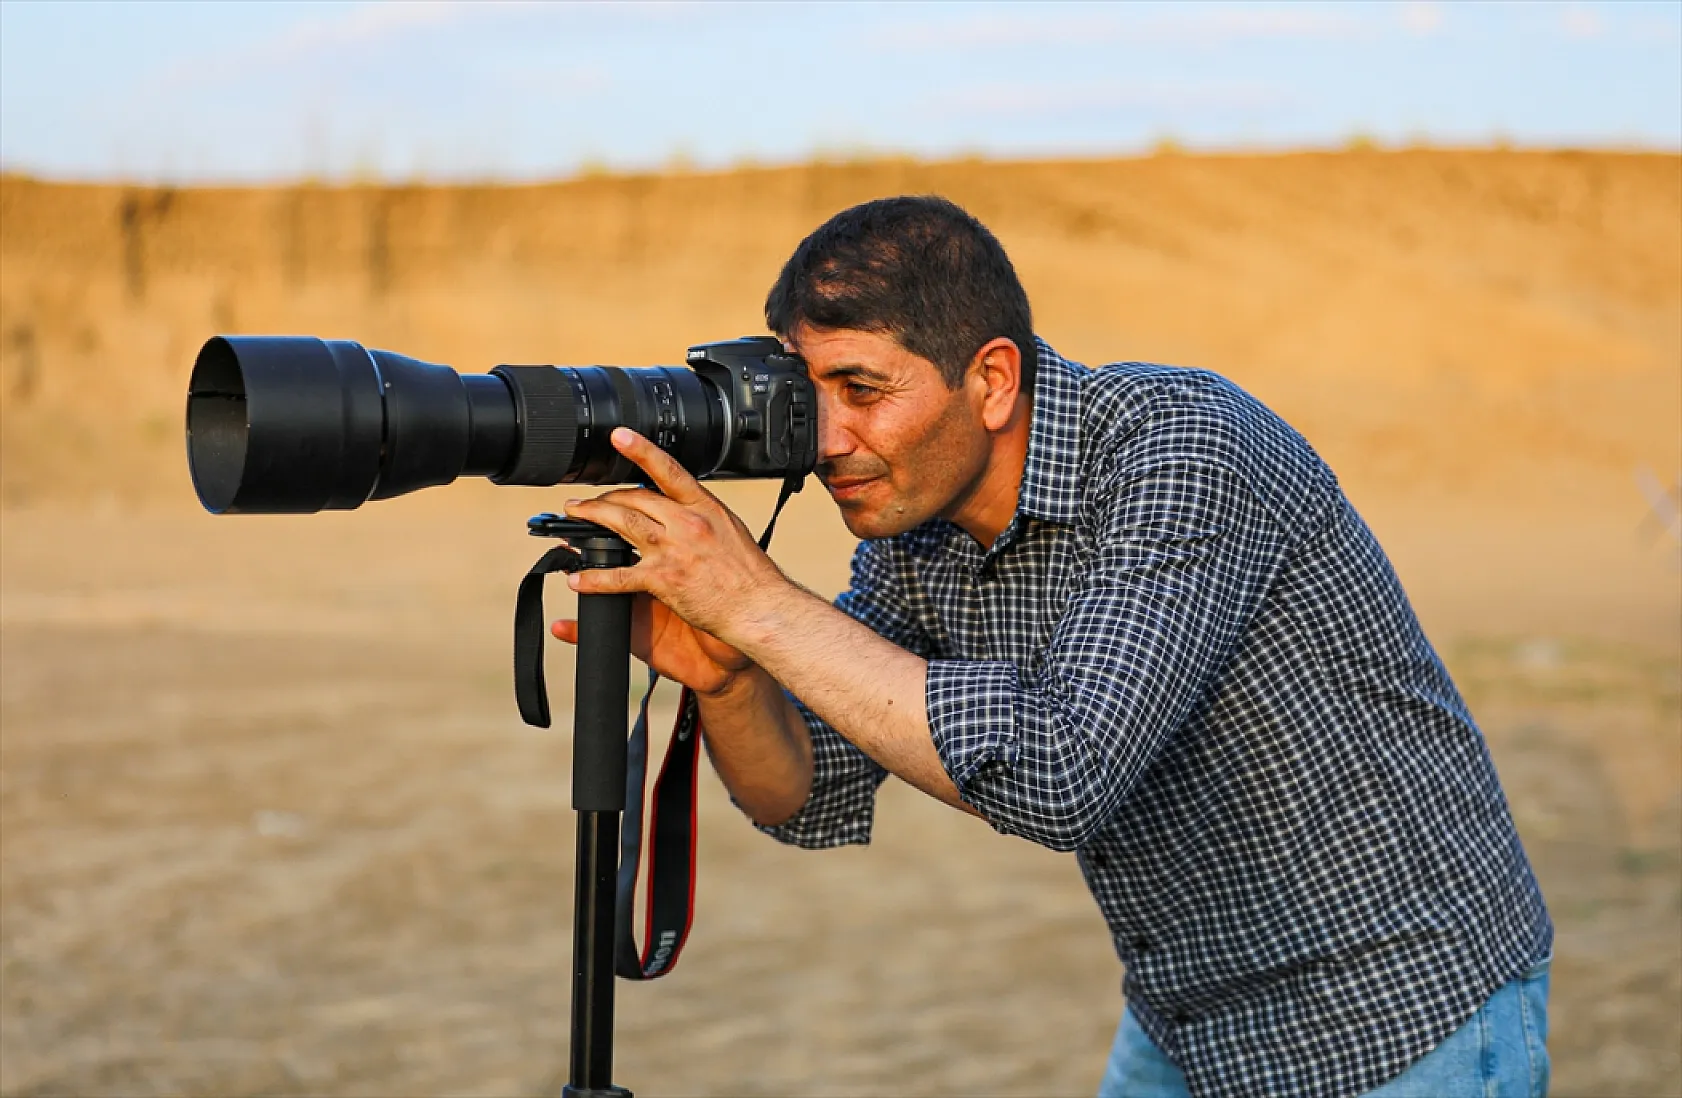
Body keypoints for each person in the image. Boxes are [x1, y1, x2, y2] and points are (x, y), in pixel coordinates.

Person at [549, 196, 1553, 1098]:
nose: (826, 441)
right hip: (1188, 1013)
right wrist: (730, 677)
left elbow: (1063, 774)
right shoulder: (916, 530)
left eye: (861, 388)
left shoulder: (1181, 446)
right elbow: (805, 795)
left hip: (1398, 1007)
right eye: (811, 398)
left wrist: (761, 606)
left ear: (991, 380)